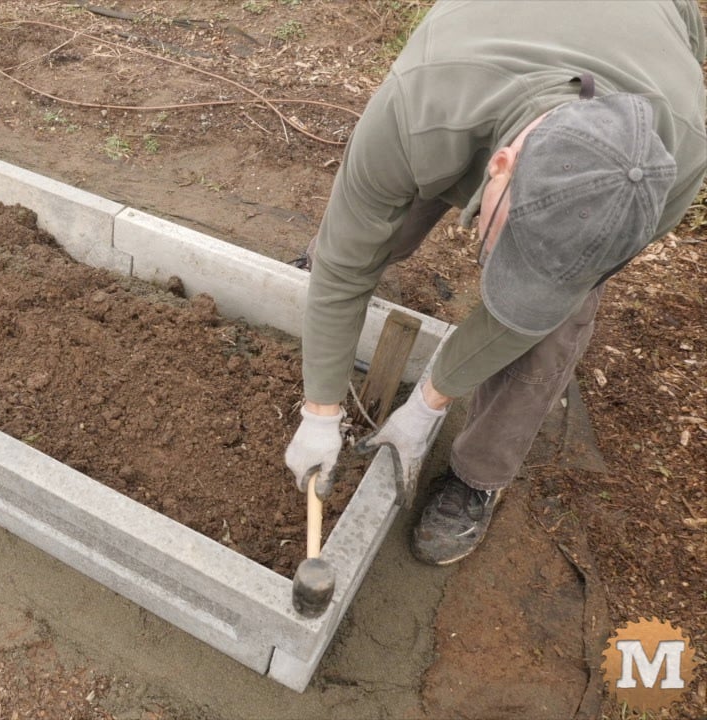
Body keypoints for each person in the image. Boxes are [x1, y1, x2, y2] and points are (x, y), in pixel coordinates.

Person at [283, 0, 707, 566]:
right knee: (363, 235)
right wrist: (321, 411)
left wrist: (427, 406)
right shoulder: (423, 104)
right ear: (500, 164)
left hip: (639, 40)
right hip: (471, 82)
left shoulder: (670, 171)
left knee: (552, 323)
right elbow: (347, 260)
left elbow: (531, 311)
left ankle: (476, 476)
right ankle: (329, 300)